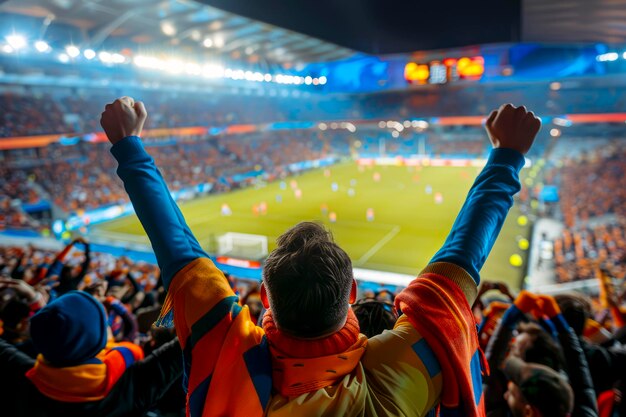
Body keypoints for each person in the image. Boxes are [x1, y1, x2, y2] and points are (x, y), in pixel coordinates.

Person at [101, 97, 540, 416]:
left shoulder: (230, 363)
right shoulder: (396, 376)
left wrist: (129, 148)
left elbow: (177, 251)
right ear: (351, 292)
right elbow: (460, 262)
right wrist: (506, 157)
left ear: (265, 299)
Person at [0, 291, 183, 417]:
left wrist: (39, 304)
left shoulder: (19, 373)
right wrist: (36, 299)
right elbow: (191, 341)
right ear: (98, 341)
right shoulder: (130, 388)